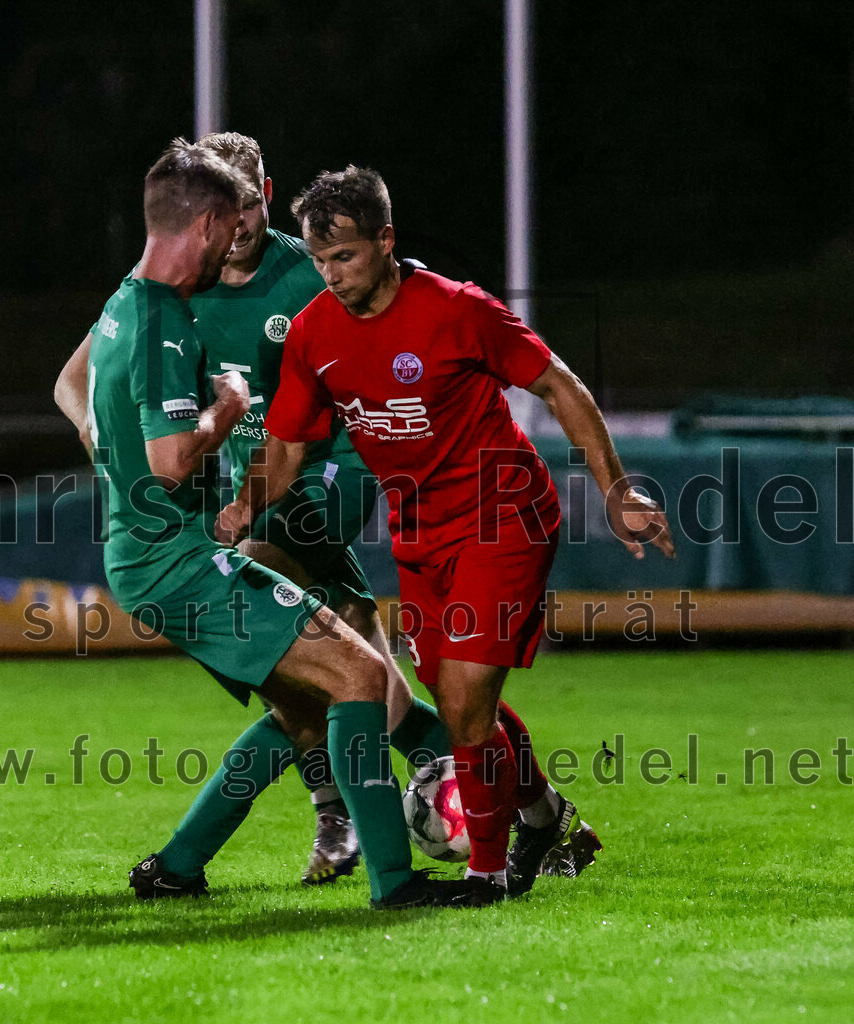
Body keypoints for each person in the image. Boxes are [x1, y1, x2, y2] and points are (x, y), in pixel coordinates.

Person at [217, 165, 675, 903]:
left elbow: (558, 382)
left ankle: (486, 874)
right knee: (455, 697)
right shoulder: (313, 334)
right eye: (322, 260)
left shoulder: (458, 310)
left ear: (386, 241)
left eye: (348, 257)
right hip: (419, 533)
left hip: (505, 518)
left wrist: (616, 489)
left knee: (462, 706)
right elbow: (289, 444)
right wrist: (243, 506)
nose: (332, 275)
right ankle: (541, 816)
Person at [71, 140, 477, 910]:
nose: (234, 245)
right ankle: (395, 882)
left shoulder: (124, 302)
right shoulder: (165, 323)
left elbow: (79, 390)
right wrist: (226, 408)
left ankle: (180, 865)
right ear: (210, 221)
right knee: (360, 677)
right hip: (181, 563)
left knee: (318, 696)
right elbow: (169, 464)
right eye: (229, 228)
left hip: (157, 554)